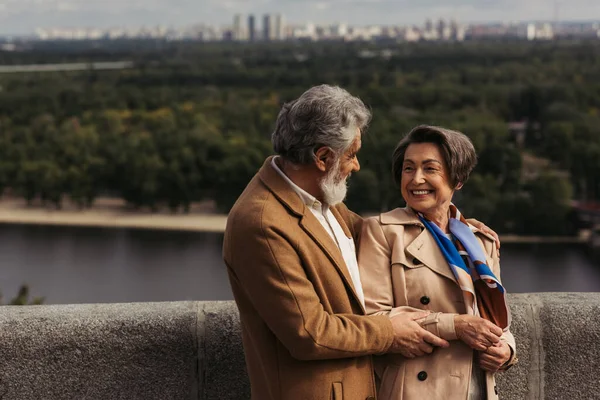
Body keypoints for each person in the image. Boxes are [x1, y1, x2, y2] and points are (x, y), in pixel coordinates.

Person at [223, 85, 498, 400]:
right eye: (351, 155)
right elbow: (310, 333)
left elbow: (384, 232)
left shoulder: (319, 198)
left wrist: (453, 228)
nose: (356, 166)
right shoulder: (261, 223)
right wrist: (390, 332)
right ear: (323, 157)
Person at [357, 125, 518, 400]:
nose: (416, 179)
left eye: (430, 169)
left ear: (458, 179)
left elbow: (497, 322)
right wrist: (455, 326)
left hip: (479, 390)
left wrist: (506, 351)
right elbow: (373, 320)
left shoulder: (481, 240)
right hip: (415, 390)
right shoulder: (382, 232)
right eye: (408, 168)